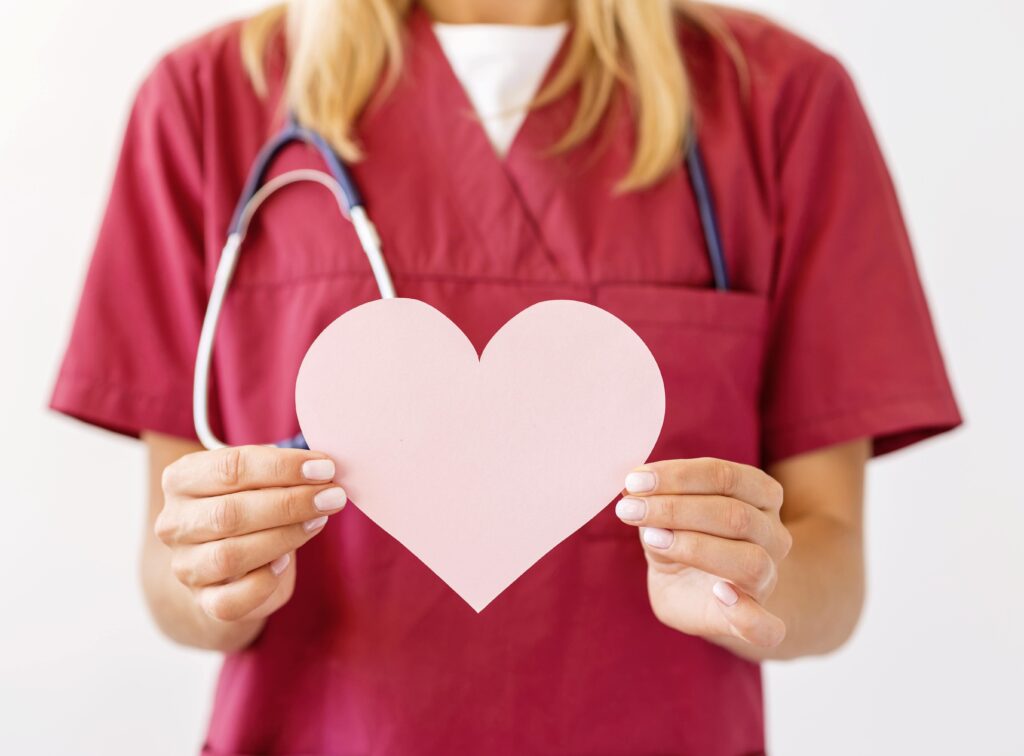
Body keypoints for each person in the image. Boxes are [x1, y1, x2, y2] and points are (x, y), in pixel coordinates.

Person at [51, 0, 961, 753]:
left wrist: (749, 582)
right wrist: (217, 579)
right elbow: (172, 574)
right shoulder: (206, 101)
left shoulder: (781, 99)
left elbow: (831, 565)